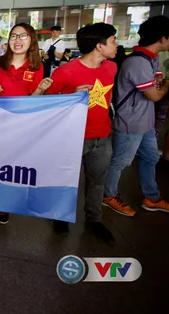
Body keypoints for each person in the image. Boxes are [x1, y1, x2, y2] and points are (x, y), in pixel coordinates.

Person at [46, 23, 119, 244]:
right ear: (99, 45)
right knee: (66, 179)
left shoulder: (111, 68)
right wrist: (70, 95)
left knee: (97, 180)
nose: (117, 45)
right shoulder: (66, 71)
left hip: (103, 135)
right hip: (72, 136)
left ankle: (94, 220)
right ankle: (60, 216)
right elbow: (48, 100)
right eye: (113, 40)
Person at [0, 23, 52, 225]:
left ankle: (3, 205)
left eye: (23, 36)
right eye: (13, 36)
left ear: (31, 41)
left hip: (20, 125)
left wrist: (40, 89)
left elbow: (34, 98)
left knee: (9, 166)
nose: (17, 40)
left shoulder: (37, 67)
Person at [103, 16, 169, 216]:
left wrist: (161, 84)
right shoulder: (137, 63)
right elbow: (155, 94)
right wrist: (166, 84)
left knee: (149, 157)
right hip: (130, 122)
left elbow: (156, 86)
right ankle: (108, 195)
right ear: (163, 38)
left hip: (145, 122)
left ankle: (152, 196)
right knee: (121, 161)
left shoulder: (151, 58)